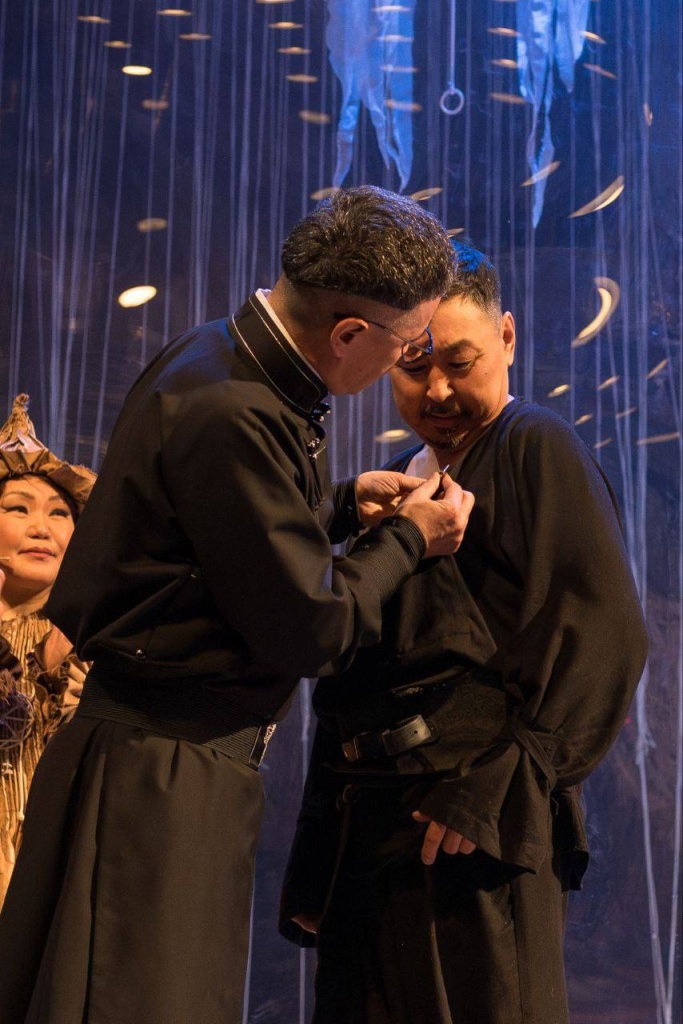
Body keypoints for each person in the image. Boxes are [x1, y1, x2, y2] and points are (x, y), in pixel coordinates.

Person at [0, 187, 475, 1024]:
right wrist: (409, 537)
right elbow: (313, 627)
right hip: (160, 770)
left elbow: (206, 543)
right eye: (408, 346)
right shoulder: (237, 409)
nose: (406, 364)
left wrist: (337, 506)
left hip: (157, 760)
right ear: (349, 335)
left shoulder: (214, 353)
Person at [280, 240, 649, 1024]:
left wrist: (497, 790)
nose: (438, 389)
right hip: (369, 831)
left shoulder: (534, 445)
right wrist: (317, 855)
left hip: (471, 825)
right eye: (415, 366)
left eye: (459, 361)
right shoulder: (399, 482)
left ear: (506, 338)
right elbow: (349, 682)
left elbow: (602, 632)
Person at [0, 394, 95, 910]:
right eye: (18, 509)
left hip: (51, 871)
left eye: (60, 513)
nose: (41, 528)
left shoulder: (92, 641)